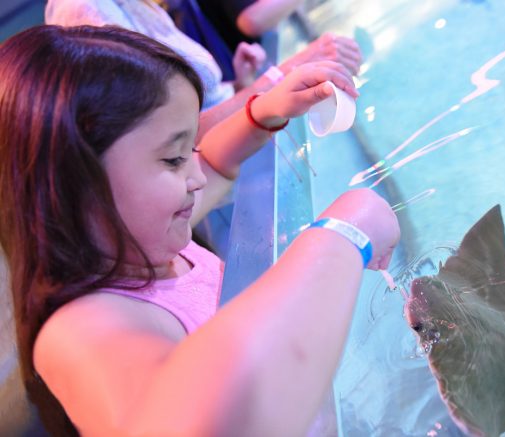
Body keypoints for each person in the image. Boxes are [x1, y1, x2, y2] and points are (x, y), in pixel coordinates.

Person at [0, 25, 399, 436]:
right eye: (173, 158)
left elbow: (213, 163)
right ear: (75, 188)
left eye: (188, 148)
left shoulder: (139, 243)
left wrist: (264, 112)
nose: (195, 176)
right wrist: (346, 232)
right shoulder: (79, 331)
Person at [45, 0, 364, 256]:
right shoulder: (83, 13)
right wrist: (277, 79)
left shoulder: (140, 5)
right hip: (215, 197)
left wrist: (245, 84)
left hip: (235, 158)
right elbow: (170, 139)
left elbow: (183, 120)